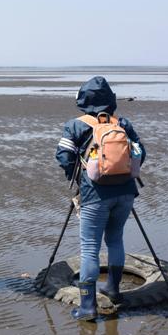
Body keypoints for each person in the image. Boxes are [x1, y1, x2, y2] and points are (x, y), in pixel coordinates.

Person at [55, 76, 146, 321]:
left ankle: (87, 307)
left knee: (89, 248)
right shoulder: (123, 123)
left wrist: (77, 175)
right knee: (115, 239)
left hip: (95, 194)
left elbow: (63, 156)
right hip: (126, 192)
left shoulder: (76, 125)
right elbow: (141, 152)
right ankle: (114, 290)